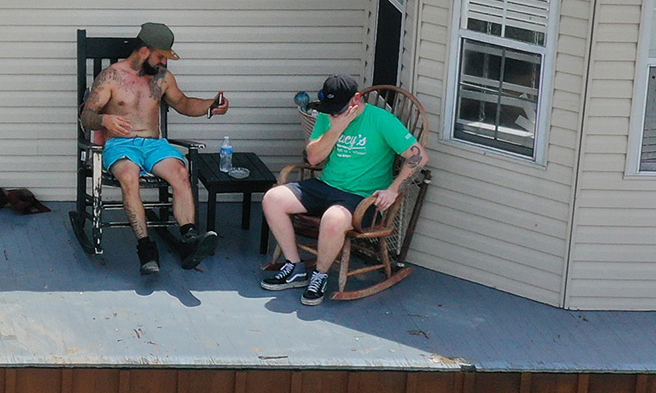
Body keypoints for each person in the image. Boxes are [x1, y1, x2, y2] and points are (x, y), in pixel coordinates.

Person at [78, 22, 230, 276]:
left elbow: (183, 103)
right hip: (121, 144)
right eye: (160, 56)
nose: (163, 63)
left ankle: (189, 238)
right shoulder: (111, 77)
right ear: (145, 51)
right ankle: (146, 247)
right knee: (129, 177)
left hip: (154, 144)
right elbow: (87, 116)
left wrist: (210, 106)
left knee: (181, 173)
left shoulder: (163, 78)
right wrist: (105, 120)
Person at [260, 74, 426, 306]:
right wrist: (336, 129)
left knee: (333, 219)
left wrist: (393, 189)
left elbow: (419, 156)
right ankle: (294, 266)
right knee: (273, 198)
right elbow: (314, 158)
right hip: (326, 186)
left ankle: (319, 275)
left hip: (361, 198)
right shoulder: (329, 118)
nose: (334, 114)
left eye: (339, 109)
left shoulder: (381, 120)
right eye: (331, 110)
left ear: (356, 99)